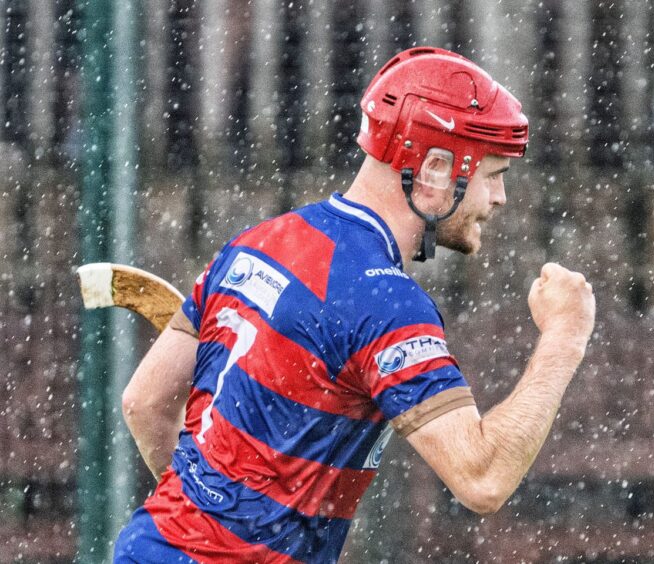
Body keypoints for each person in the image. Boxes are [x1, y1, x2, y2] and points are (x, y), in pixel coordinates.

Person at [114, 46, 595, 563]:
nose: (499, 197)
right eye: (493, 173)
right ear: (434, 169)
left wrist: (206, 523)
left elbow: (144, 402)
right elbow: (483, 479)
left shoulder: (257, 240)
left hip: (148, 547)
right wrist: (564, 337)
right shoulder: (385, 301)